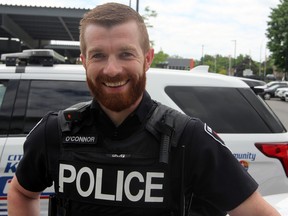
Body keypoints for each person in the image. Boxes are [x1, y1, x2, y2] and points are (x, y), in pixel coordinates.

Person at [8, 2, 280, 216]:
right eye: (98, 55)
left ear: (147, 58)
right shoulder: (56, 132)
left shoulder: (189, 139)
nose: (112, 69)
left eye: (126, 54)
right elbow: (20, 192)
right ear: (84, 61)